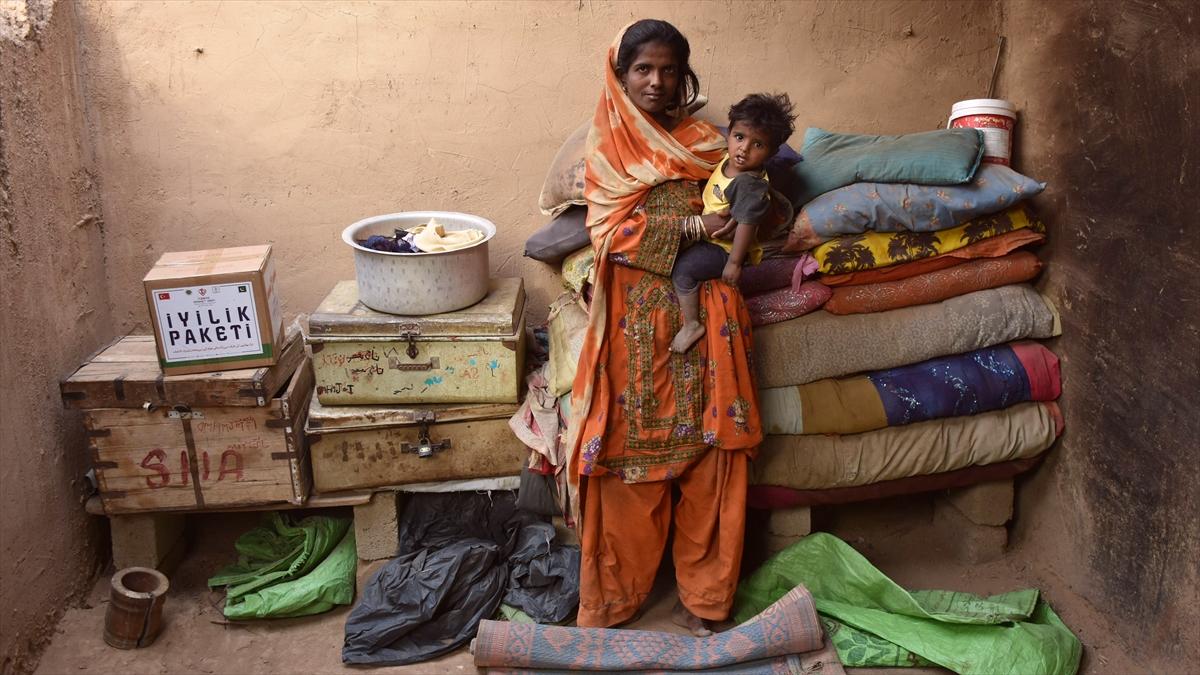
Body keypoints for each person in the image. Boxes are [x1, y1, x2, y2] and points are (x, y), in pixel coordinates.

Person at [564, 19, 766, 637]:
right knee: (630, 460)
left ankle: (707, 600)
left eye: (669, 70)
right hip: (634, 326)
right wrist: (692, 230)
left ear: (685, 75)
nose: (656, 81)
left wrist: (750, 214)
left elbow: (753, 209)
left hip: (709, 315)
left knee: (713, 458)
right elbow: (608, 238)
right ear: (620, 74)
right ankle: (616, 602)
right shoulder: (606, 153)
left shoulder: (713, 143)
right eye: (642, 69)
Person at [670, 93, 797, 353]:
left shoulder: (750, 183)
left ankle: (692, 324)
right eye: (740, 137)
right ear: (729, 134)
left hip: (725, 248)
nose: (744, 149)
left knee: (683, 269)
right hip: (711, 236)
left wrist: (735, 263)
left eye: (758, 144)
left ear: (771, 152)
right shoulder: (727, 162)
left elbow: (748, 223)